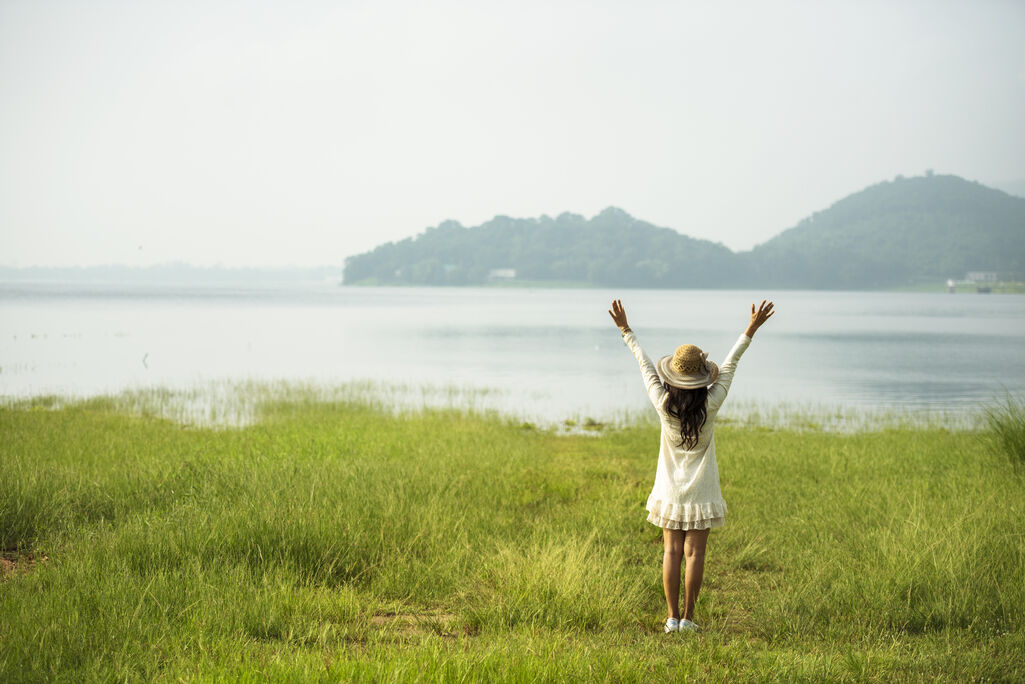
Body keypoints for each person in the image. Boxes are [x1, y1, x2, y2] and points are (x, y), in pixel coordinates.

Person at [608, 298, 775, 633]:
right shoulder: (711, 404)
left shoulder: (663, 403)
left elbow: (644, 366)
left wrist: (626, 330)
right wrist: (750, 330)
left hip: (670, 487)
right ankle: (689, 618)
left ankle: (671, 618)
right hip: (702, 488)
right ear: (701, 378)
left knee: (671, 552)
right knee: (694, 555)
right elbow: (729, 366)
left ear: (673, 377)